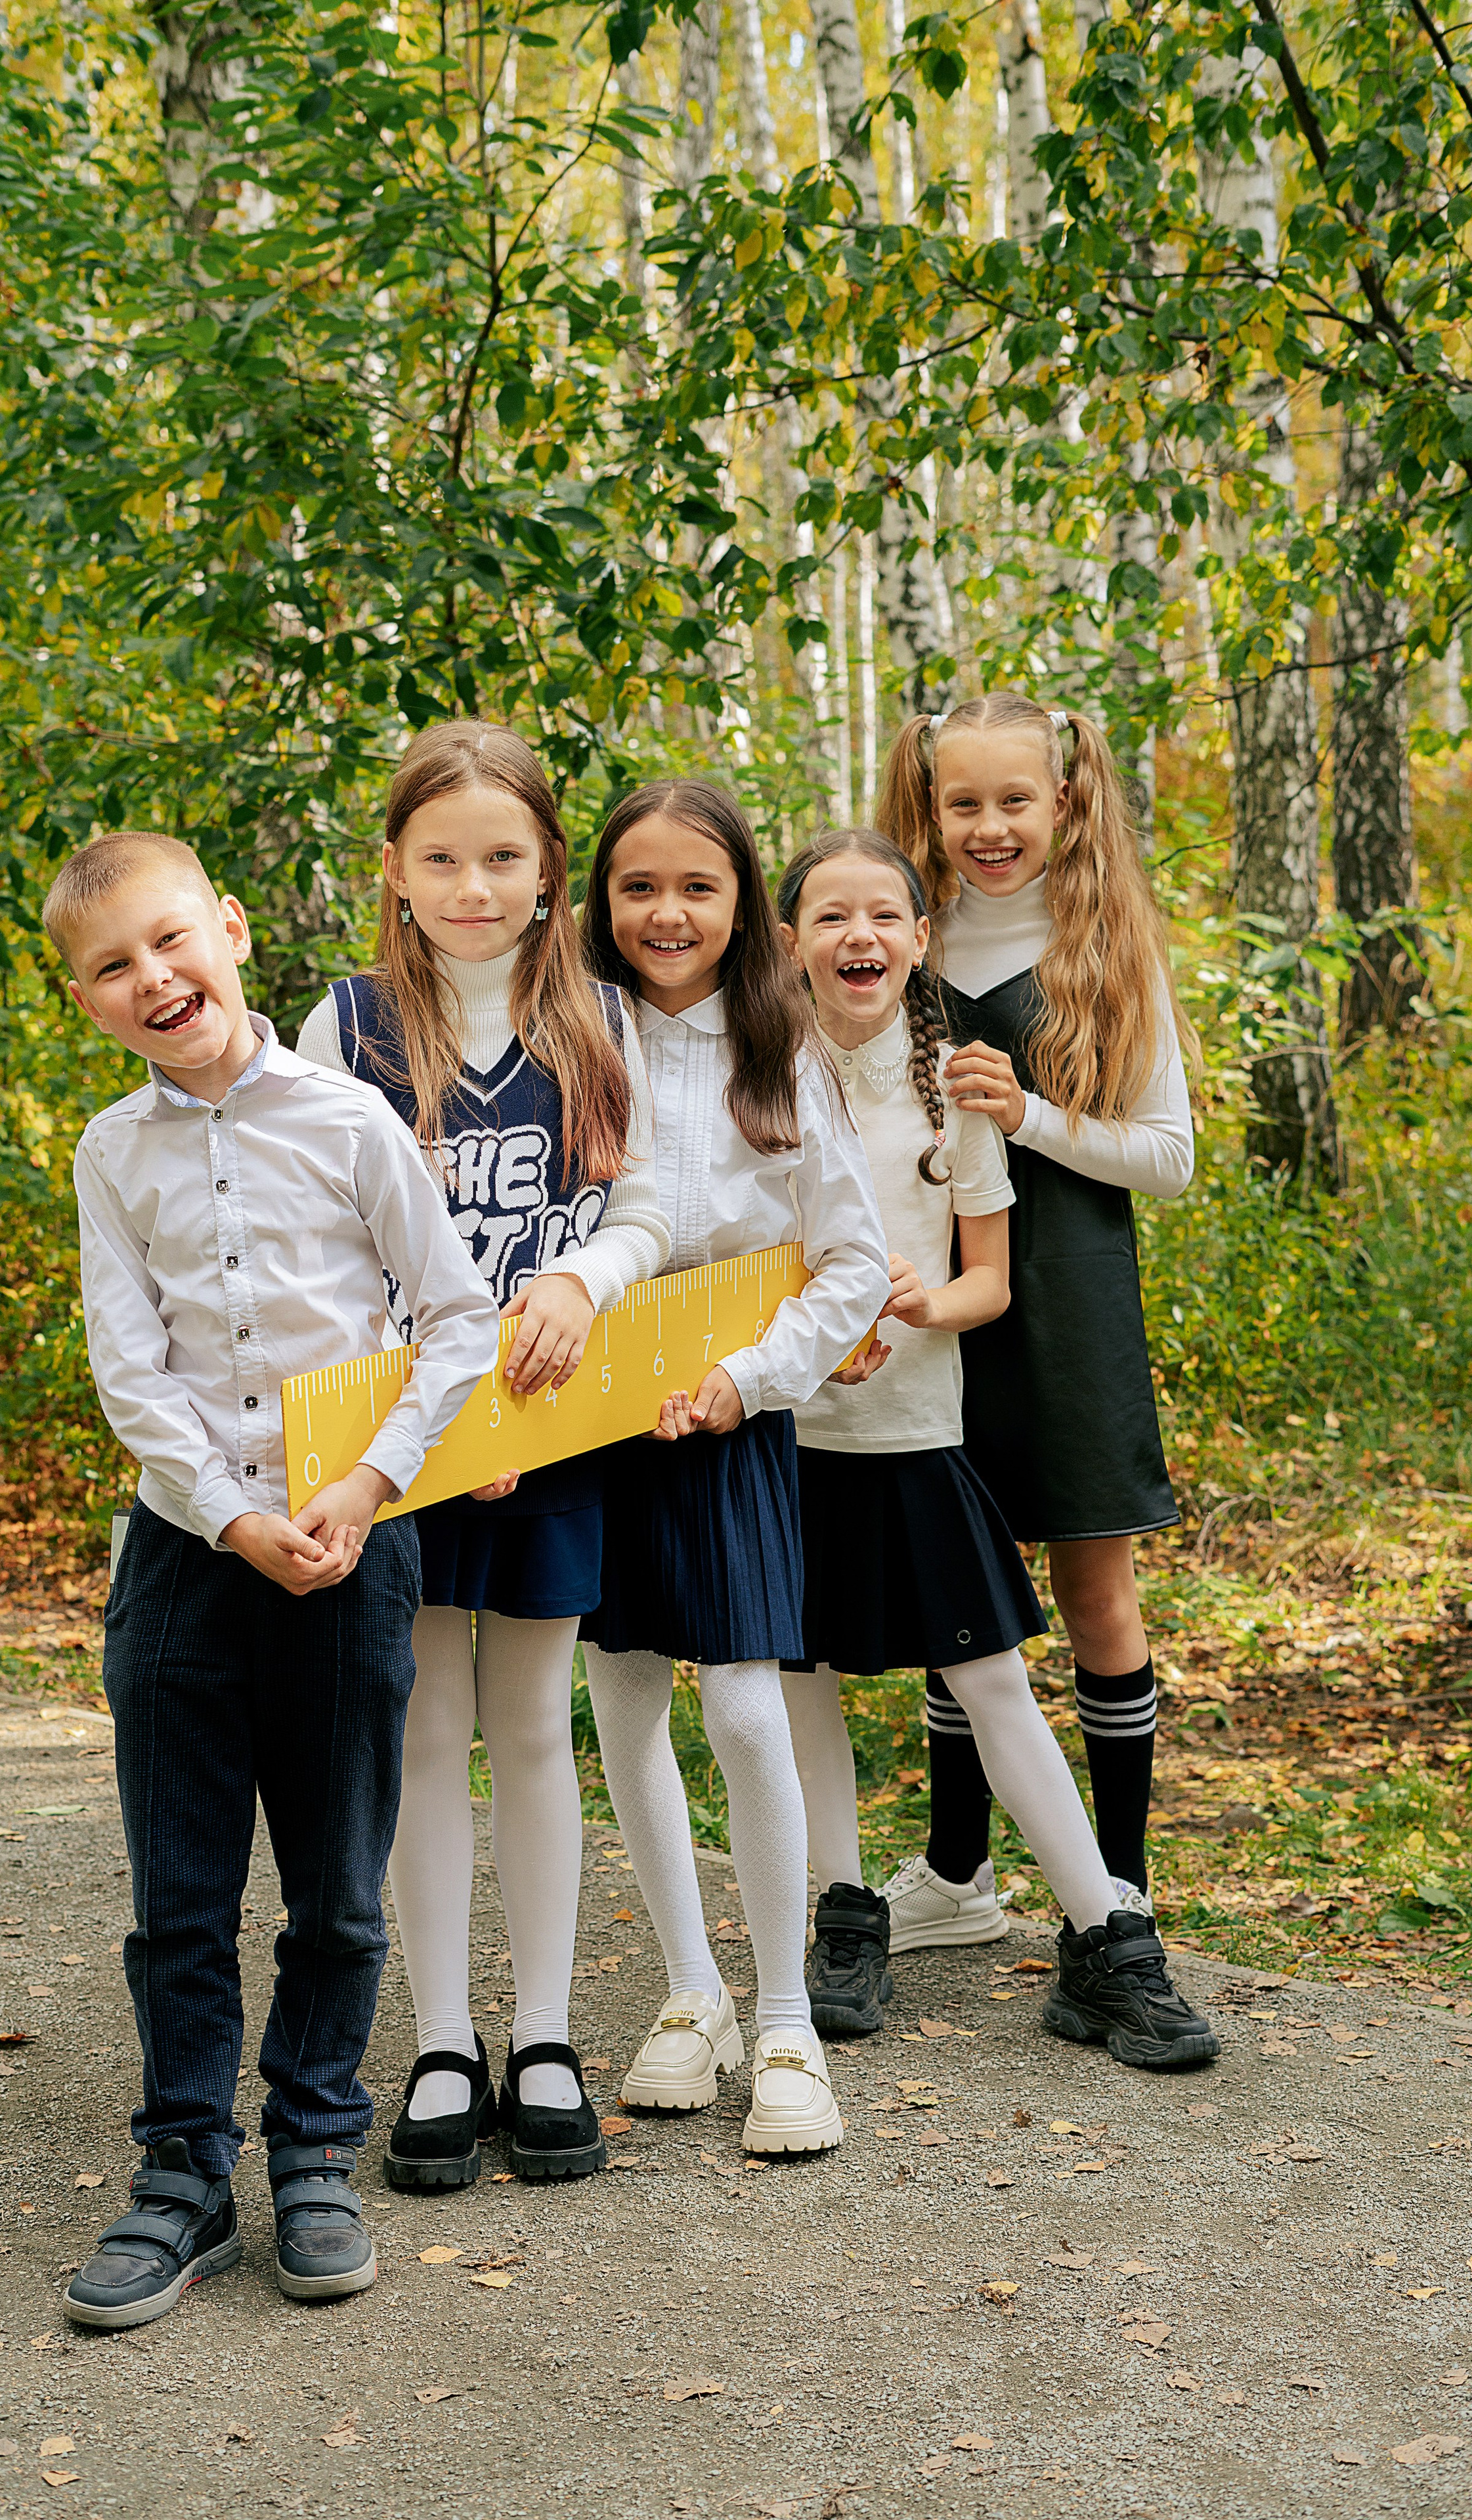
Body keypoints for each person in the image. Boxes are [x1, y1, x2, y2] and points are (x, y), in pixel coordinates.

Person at [49, 830, 500, 2330]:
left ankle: (312, 2142)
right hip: (187, 1560)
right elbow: (132, 1373)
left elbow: (453, 1319)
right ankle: (184, 2173)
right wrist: (235, 1518)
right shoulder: (111, 1156)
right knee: (180, 1895)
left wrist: (367, 1484)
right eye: (113, 965)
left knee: (336, 1887)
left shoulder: (352, 1118)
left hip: (354, 1542)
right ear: (87, 998)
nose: (153, 977)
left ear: (231, 929)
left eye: (170, 940)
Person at [298, 721, 670, 2186]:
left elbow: (643, 1209)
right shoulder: (343, 1026)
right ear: (392, 869)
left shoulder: (596, 1017)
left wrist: (580, 1283)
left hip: (550, 1413)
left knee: (531, 1725)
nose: (470, 883)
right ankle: (443, 2036)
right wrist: (432, 1415)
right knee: (420, 1728)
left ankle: (544, 2035)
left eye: (501, 857)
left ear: (546, 871)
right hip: (400, 1431)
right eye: (440, 856)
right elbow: (323, 1246)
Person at [774, 829, 1212, 2068]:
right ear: (792, 939)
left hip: (918, 1429)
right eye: (828, 917)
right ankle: (845, 1913)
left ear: (923, 942)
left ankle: (1105, 1933)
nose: (858, 938)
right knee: (801, 1671)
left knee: (988, 1675)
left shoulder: (956, 1087)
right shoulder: (759, 1083)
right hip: (783, 1424)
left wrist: (916, 1306)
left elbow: (989, 1286)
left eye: (884, 918)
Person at [880, 695, 1219, 2066]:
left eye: (1013, 801)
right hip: (939, 1294)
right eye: (962, 805)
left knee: (1091, 1592)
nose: (988, 828)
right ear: (930, 808)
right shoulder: (903, 938)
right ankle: (956, 1872)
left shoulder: (1100, 949)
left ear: (1065, 803)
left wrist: (1030, 1116)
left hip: (1067, 1298)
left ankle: (1116, 1885)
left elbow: (1168, 1155)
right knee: (953, 1586)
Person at [576, 780, 888, 2154]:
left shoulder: (783, 1050)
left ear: (744, 904)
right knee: (621, 1699)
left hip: (729, 1413)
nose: (665, 912)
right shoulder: (568, 1038)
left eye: (695, 886)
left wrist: (748, 1379)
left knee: (746, 1710)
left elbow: (855, 1262)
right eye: (637, 886)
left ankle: (783, 2021)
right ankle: (690, 1992)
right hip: (583, 1420)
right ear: (598, 902)